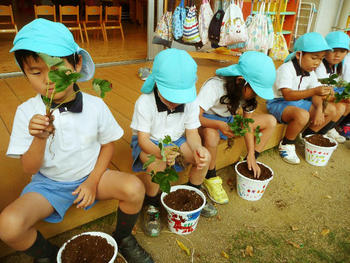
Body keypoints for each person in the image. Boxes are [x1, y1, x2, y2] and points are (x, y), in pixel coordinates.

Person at [0, 19, 153, 263]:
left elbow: (108, 145)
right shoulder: (26, 112)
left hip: (93, 176)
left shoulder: (95, 105)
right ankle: (49, 255)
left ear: (77, 63)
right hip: (48, 185)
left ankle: (123, 238)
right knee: (9, 225)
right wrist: (39, 138)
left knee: (135, 188)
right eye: (36, 72)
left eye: (58, 69)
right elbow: (29, 168)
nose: (49, 80)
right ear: (25, 73)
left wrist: (92, 182)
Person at [130, 48, 213, 237]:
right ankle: (151, 205)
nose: (176, 102)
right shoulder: (145, 102)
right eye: (171, 96)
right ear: (157, 84)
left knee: (204, 157)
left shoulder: (191, 101)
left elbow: (191, 133)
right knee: (156, 164)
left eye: (180, 96)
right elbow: (143, 140)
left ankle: (194, 194)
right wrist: (161, 152)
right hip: (151, 142)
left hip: (177, 139)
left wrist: (198, 148)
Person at [197, 51, 277, 204]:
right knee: (211, 135)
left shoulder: (248, 95)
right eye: (254, 91)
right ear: (240, 81)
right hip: (206, 122)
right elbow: (194, 117)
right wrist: (219, 125)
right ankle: (210, 176)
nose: (255, 96)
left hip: (228, 121)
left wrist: (251, 153)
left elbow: (246, 125)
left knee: (270, 121)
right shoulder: (215, 86)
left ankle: (249, 161)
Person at [267, 32, 343, 165]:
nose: (318, 63)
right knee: (302, 115)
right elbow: (288, 95)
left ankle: (306, 136)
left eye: (321, 58)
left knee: (330, 110)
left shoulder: (310, 72)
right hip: (278, 103)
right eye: (314, 58)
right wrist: (314, 91)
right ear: (298, 55)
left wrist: (319, 108)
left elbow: (318, 94)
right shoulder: (286, 69)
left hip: (296, 102)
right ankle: (286, 144)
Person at [315, 31, 350, 140]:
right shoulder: (319, 65)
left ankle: (330, 128)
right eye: (334, 50)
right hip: (317, 96)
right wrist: (343, 96)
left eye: (342, 51)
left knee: (347, 103)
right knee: (340, 106)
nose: (338, 55)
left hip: (329, 94)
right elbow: (322, 90)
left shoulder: (336, 65)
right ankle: (321, 131)